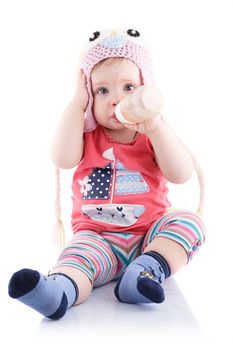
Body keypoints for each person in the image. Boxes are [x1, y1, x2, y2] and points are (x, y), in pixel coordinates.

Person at [8, 28, 205, 320]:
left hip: (149, 238)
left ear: (146, 89)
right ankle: (59, 291)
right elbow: (62, 158)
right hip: (97, 238)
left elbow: (181, 174)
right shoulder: (86, 134)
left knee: (189, 222)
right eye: (102, 90)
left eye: (128, 88)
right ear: (89, 96)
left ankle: (144, 274)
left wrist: (156, 127)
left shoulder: (152, 133)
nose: (115, 99)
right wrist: (76, 105)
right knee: (77, 258)